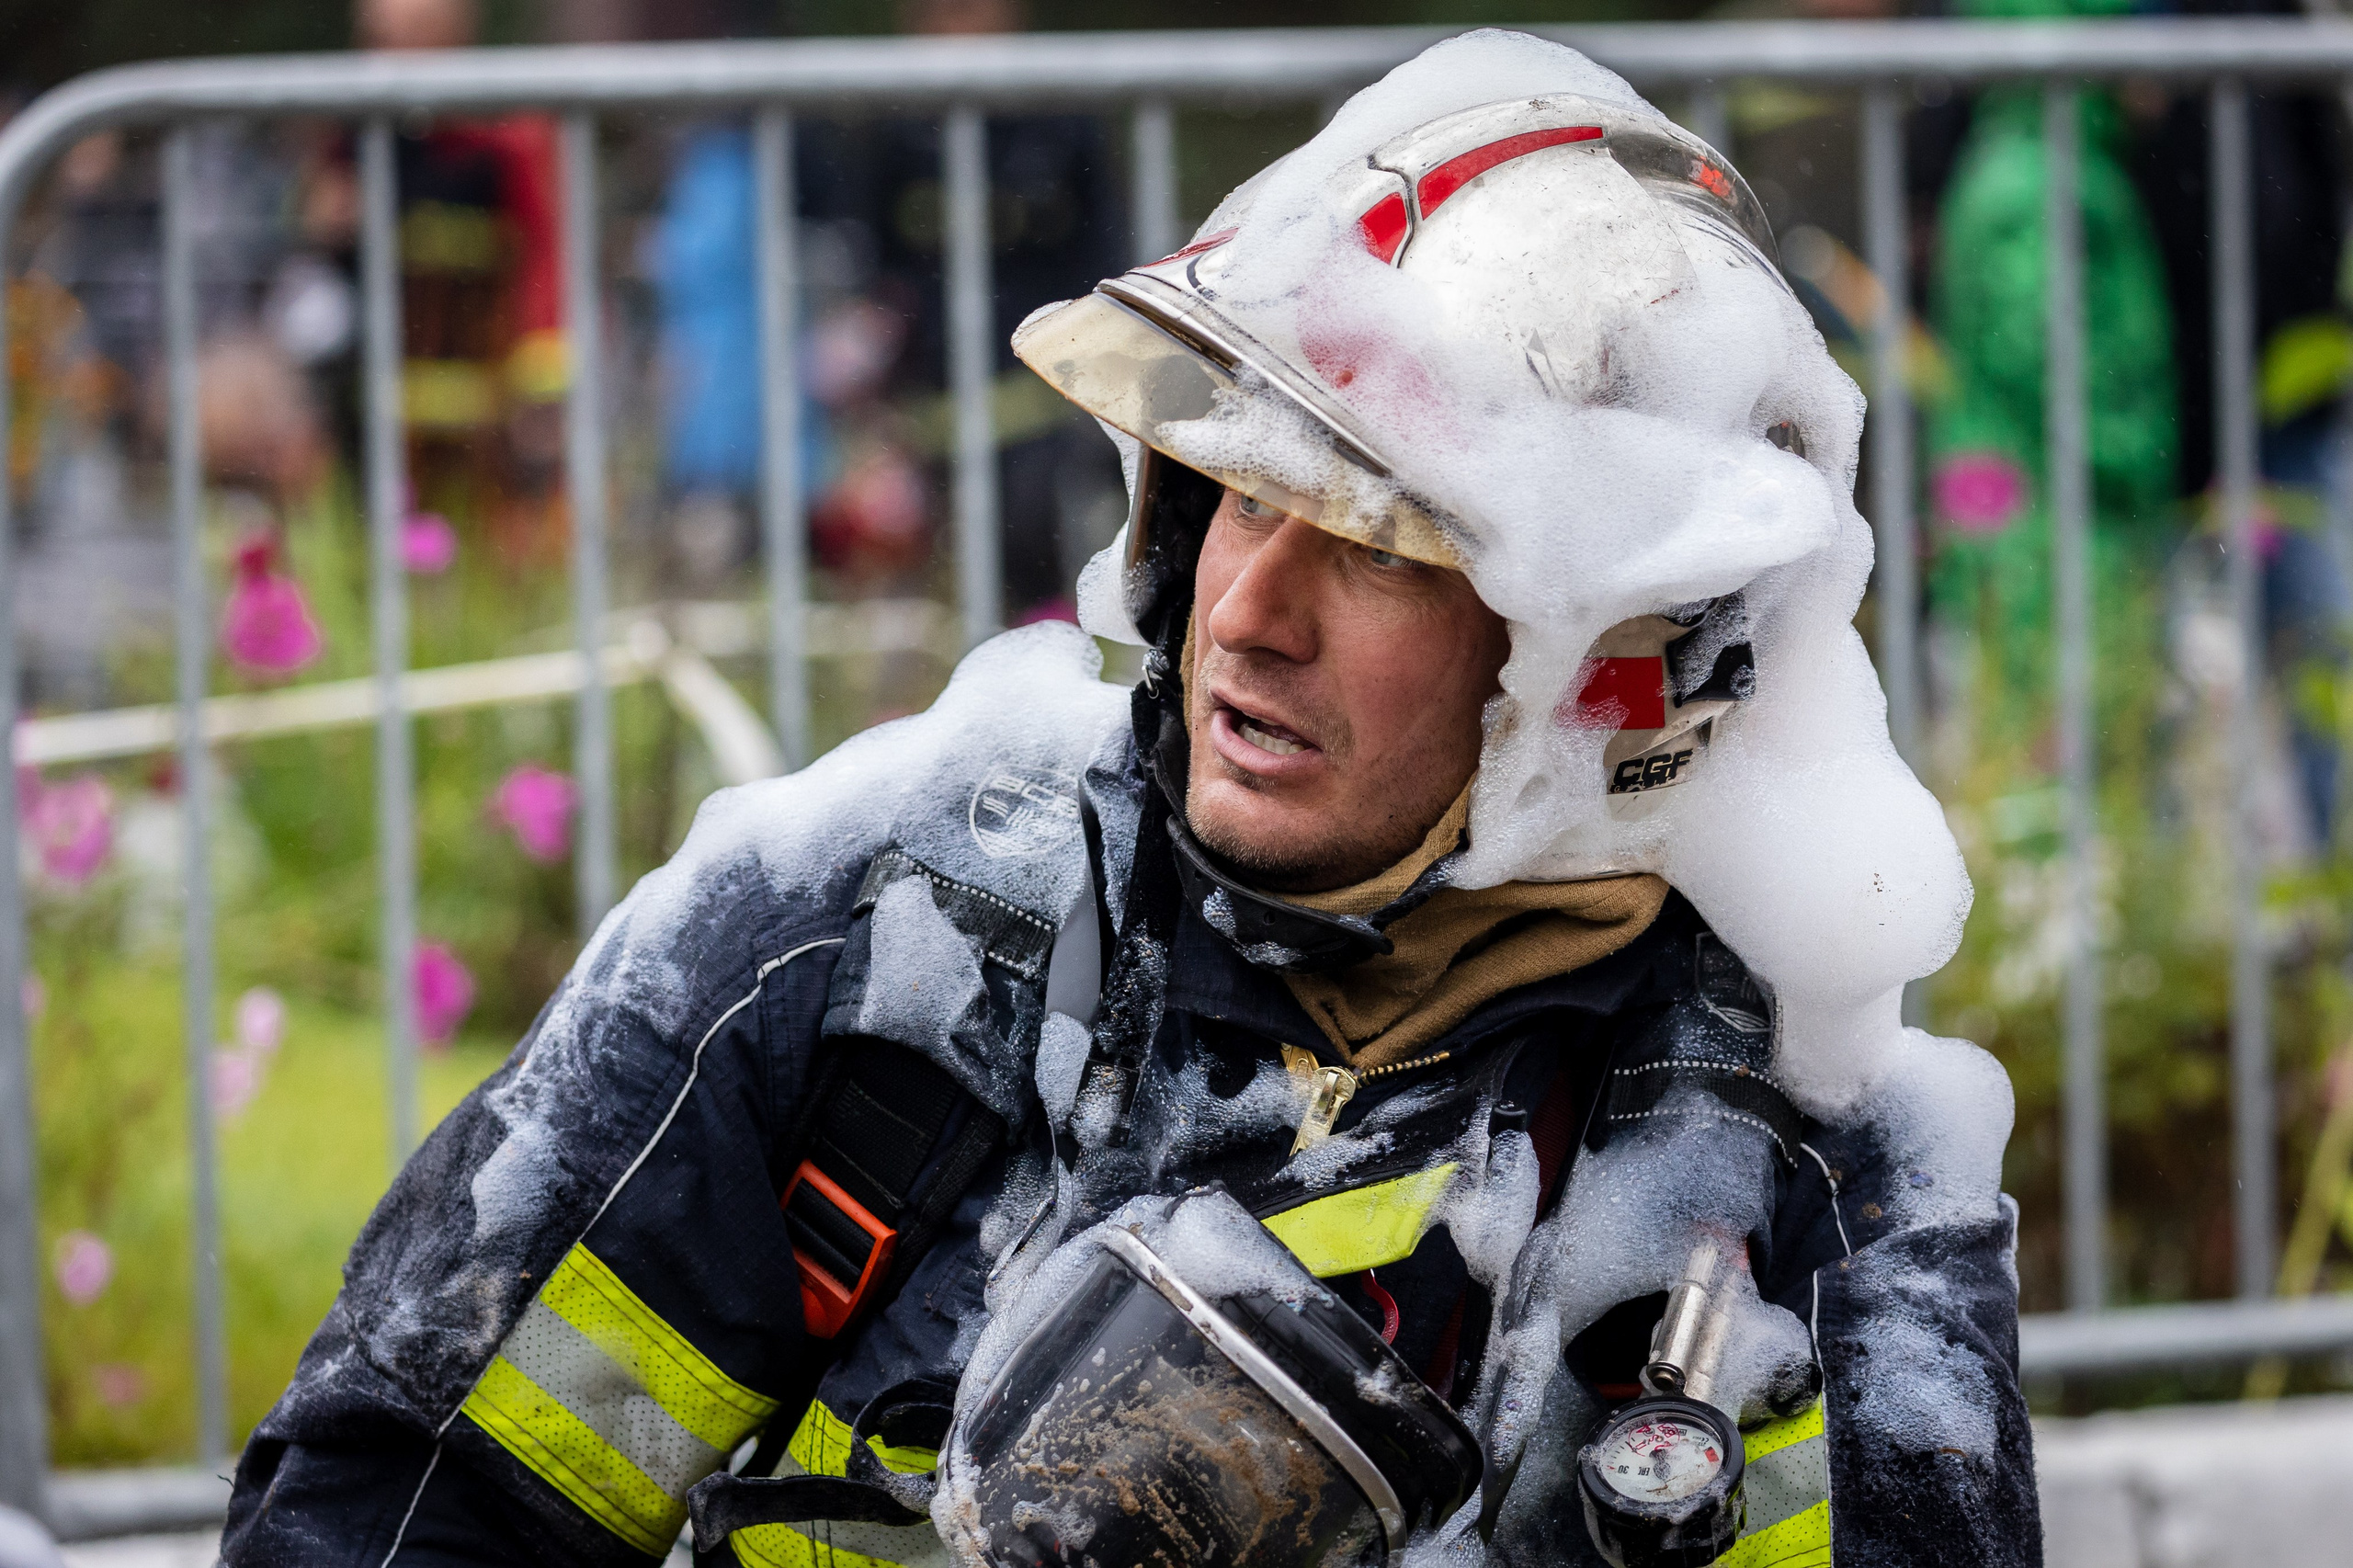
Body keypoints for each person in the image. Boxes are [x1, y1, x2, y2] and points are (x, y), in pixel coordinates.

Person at [222, 31, 2036, 1568]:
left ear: (1613, 663)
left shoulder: (1799, 1193)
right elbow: (392, 1514)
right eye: (1242, 498)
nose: (1248, 617)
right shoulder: (887, 950)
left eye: (1380, 548)